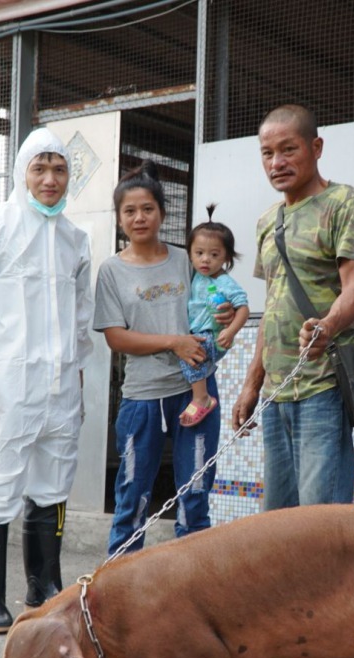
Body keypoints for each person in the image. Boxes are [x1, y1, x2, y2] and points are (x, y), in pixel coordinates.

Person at [230, 104, 354, 658]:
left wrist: (329, 326)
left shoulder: (344, 203)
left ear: (316, 148)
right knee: (279, 519)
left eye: (288, 149)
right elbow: (272, 310)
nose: (277, 162)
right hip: (278, 393)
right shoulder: (268, 221)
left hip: (322, 386)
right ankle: (289, 628)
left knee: (321, 520)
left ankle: (329, 639)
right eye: (267, 153)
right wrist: (251, 383)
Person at [0, 127, 93, 634]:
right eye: (40, 168)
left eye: (59, 169)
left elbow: (81, 318)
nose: (50, 179)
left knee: (52, 487)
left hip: (60, 387)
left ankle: (44, 587)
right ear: (21, 173)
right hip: (9, 385)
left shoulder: (76, 240)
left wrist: (78, 380)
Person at [93, 162, 227, 555]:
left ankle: (193, 581)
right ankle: (121, 580)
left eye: (147, 209)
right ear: (119, 219)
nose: (139, 217)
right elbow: (116, 337)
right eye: (130, 211)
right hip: (143, 398)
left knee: (195, 495)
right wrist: (173, 342)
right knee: (132, 495)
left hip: (196, 395)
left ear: (163, 214)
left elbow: (211, 305)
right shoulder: (111, 271)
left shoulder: (187, 260)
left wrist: (225, 316)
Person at [177, 205, 250, 427]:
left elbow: (243, 308)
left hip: (213, 335)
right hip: (201, 332)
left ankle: (202, 398)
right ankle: (200, 396)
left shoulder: (224, 281)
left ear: (226, 257)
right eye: (199, 253)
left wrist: (231, 331)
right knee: (191, 356)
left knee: (191, 355)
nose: (205, 260)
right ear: (190, 253)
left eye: (214, 254)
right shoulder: (195, 275)